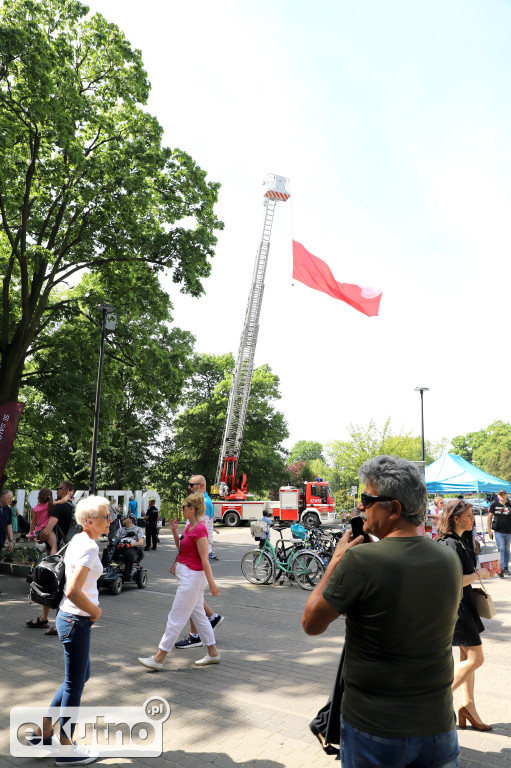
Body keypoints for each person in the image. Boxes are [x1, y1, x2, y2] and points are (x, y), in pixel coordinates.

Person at [302, 455, 463, 768]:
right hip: (439, 727)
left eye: (367, 498)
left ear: (395, 509)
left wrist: (336, 559)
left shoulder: (361, 561)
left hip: (375, 729)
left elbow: (311, 623)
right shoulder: (448, 558)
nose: (361, 506)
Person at [28, 495, 110, 766]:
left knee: (79, 676)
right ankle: (66, 748)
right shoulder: (88, 548)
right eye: (105, 516)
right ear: (89, 521)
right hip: (76, 621)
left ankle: (42, 734)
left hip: (70, 619)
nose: (109, 520)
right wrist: (96, 612)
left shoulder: (79, 539)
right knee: (75, 683)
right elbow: (73, 590)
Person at [138, 493, 221, 670]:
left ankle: (159, 658)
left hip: (193, 578)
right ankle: (213, 653)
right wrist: (175, 532)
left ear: (192, 509)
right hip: (187, 576)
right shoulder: (190, 527)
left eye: (184, 507)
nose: (181, 510)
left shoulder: (200, 529)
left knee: (176, 617)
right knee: (199, 616)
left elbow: (205, 558)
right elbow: (182, 547)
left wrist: (212, 583)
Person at [436, 499, 494, 731]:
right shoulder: (448, 544)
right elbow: (456, 581)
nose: (473, 519)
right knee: (475, 659)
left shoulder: (463, 539)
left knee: (465, 658)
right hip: (455, 605)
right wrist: (479, 574)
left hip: (464, 602)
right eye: (469, 516)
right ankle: (432, 699)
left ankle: (468, 706)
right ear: (455, 518)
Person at [174, 475, 224, 650]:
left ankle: (196, 635)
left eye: (191, 484)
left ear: (201, 486)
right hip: (193, 554)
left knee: (190, 596)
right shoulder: (200, 502)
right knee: (193, 596)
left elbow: (198, 532)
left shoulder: (203, 504)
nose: (189, 487)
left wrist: (212, 583)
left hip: (197, 555)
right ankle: (211, 621)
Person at [26, 480, 75, 634]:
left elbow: (47, 531)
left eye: (58, 488)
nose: (56, 491)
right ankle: (43, 618)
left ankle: (60, 623)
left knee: (57, 586)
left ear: (66, 490)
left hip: (58, 553)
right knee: (52, 583)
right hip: (68, 549)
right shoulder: (73, 507)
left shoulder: (59, 507)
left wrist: (40, 537)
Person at [487, 489, 511, 578]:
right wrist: (489, 530)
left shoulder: (509, 505)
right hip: (498, 531)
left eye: (503, 494)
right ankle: (500, 569)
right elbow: (489, 518)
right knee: (501, 548)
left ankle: (505, 567)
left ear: (506, 495)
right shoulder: (494, 505)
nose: (502, 496)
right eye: (500, 494)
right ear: (498, 496)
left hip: (509, 531)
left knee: (507, 550)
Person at [29, 488, 58, 554]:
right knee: (54, 547)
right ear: (50, 497)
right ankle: (52, 562)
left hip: (38, 532)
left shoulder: (35, 508)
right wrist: (68, 495)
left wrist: (31, 532)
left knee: (45, 549)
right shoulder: (49, 505)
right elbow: (63, 501)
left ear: (39, 498)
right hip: (47, 530)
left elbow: (33, 521)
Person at [117, 514, 144, 580]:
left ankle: (127, 575)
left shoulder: (138, 529)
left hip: (132, 548)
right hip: (121, 546)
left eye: (125, 518)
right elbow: (116, 540)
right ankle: (105, 571)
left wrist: (130, 545)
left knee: (129, 553)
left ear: (130, 520)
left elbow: (141, 542)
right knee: (107, 551)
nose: (123, 519)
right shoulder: (120, 530)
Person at [0, 488, 14, 554]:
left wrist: (11, 541)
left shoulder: (8, 510)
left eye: (11, 498)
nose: (11, 500)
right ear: (2, 498)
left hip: (1, 541)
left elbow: (9, 525)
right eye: (9, 498)